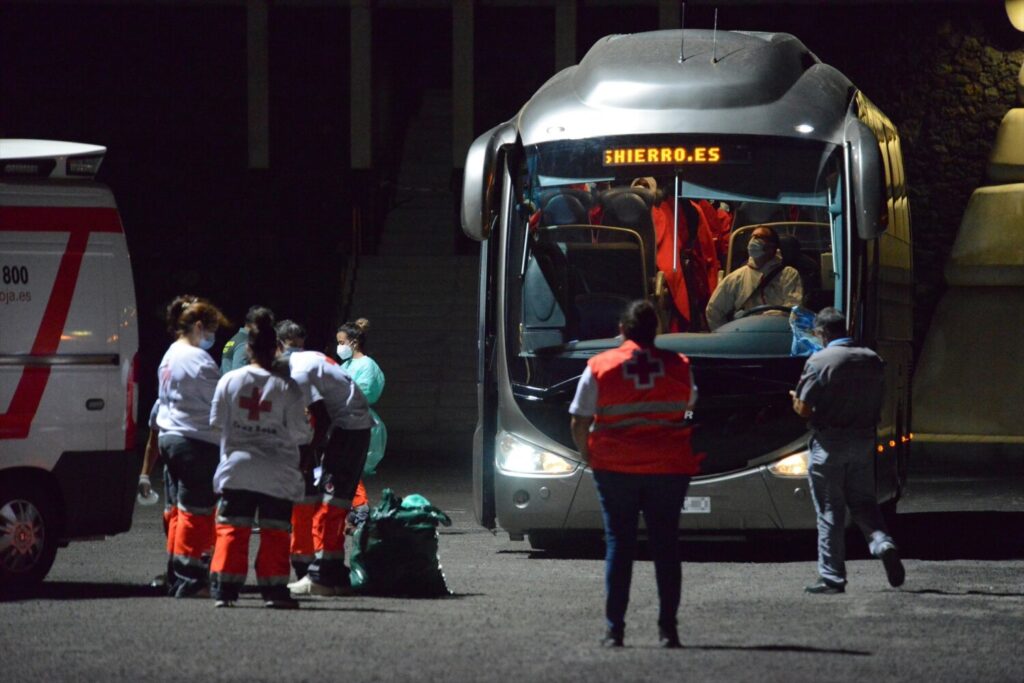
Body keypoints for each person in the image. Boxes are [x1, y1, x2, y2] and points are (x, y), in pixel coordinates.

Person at [568, 299, 701, 648]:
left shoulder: (600, 366)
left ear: (623, 330)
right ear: (654, 330)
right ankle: (668, 631)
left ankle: (615, 631)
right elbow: (689, 409)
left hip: (615, 468)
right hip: (669, 468)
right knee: (666, 545)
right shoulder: (679, 364)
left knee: (619, 544)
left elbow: (579, 420)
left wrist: (589, 455)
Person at [790, 307, 905, 594]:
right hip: (863, 442)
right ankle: (883, 543)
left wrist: (794, 399)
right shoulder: (873, 359)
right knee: (865, 503)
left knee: (830, 510)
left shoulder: (820, 361)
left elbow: (804, 409)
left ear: (823, 333)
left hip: (830, 444)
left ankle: (832, 577)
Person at [209, 310, 310, 609]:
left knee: (232, 528)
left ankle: (225, 591)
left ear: (249, 349)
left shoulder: (229, 380)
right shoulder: (287, 388)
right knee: (275, 531)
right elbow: (302, 433)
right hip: (277, 471)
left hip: (237, 468)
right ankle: (274, 591)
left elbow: (215, 422)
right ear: (276, 348)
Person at [285, 344, 373, 597]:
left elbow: (319, 417)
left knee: (327, 507)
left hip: (348, 432)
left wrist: (306, 455)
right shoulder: (310, 358)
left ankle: (320, 578)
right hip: (354, 429)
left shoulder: (297, 371)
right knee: (336, 506)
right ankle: (335, 574)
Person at [155, 295, 229, 598]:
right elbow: (221, 403)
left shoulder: (170, 353)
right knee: (196, 512)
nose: (211, 337)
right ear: (198, 326)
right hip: (195, 441)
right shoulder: (198, 359)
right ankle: (191, 580)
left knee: (177, 511)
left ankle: (176, 573)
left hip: (169, 436)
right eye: (210, 330)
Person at [336, 318, 386, 532]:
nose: (339, 347)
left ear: (354, 343)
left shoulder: (367, 365)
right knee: (344, 469)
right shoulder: (346, 364)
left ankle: (360, 508)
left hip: (359, 421)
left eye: (341, 342)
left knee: (348, 467)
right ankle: (353, 512)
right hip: (347, 420)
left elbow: (363, 393)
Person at [705, 225, 803, 331]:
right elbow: (713, 310)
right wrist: (725, 335)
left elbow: (794, 306)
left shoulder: (789, 274)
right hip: (746, 335)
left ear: (772, 247)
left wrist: (767, 319)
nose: (753, 241)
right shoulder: (737, 277)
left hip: (778, 333)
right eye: (752, 237)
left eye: (759, 237)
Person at [221, 306, 270, 374]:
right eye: (266, 326)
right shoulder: (245, 344)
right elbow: (240, 376)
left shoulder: (236, 339)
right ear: (255, 324)